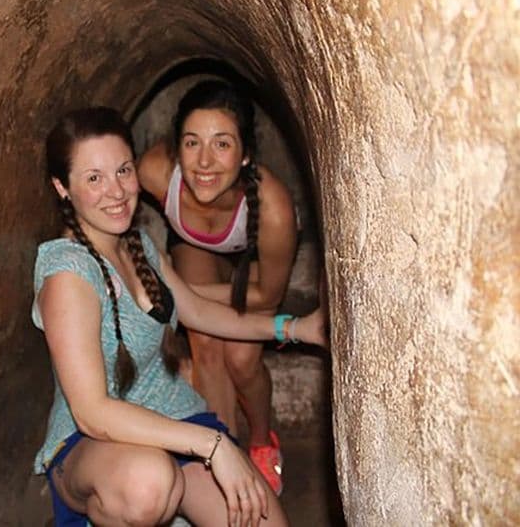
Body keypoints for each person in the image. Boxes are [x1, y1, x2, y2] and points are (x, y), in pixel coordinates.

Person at [32, 106, 325, 526]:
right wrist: (213, 445)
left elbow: (199, 311)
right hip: (94, 446)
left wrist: (296, 328)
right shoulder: (68, 273)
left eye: (123, 171)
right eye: (94, 178)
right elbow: (92, 412)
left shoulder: (138, 245)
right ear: (63, 187)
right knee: (148, 482)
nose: (115, 191)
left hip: (172, 418)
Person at [137, 80, 300, 495]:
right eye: (192, 143)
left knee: (242, 359)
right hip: (195, 247)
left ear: (245, 154)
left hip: (251, 267)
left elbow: (267, 295)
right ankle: (222, 451)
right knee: (206, 343)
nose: (204, 161)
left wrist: (175, 290)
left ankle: (261, 440)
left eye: (222, 144)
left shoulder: (274, 208)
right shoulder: (155, 171)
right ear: (177, 148)